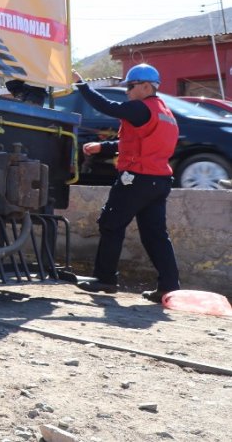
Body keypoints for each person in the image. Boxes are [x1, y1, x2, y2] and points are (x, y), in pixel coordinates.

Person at [72, 64, 182, 303]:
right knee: (155, 235)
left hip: (137, 179)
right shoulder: (165, 113)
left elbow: (107, 107)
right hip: (159, 180)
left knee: (111, 224)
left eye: (130, 87)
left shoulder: (141, 108)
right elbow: (139, 144)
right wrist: (103, 147)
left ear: (146, 86)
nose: (127, 92)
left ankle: (105, 279)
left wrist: (82, 86)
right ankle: (169, 287)